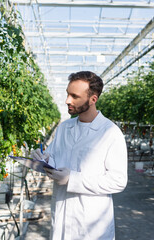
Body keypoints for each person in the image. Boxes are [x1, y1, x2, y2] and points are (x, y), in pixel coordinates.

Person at [31, 71, 128, 239]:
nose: (67, 100)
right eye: (68, 94)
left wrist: (72, 179)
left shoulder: (110, 133)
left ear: (93, 99)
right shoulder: (64, 128)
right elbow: (55, 158)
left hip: (92, 224)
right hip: (62, 215)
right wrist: (44, 160)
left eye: (74, 96)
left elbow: (118, 181)